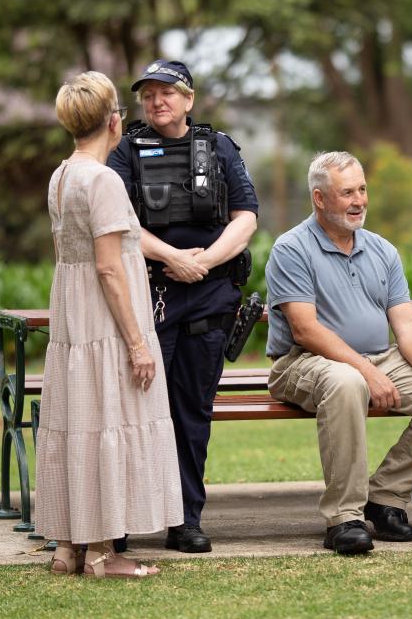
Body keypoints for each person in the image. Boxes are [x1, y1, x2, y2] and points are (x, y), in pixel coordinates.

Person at [265, 151, 412, 555]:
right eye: (346, 192)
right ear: (319, 199)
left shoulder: (381, 249)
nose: (359, 200)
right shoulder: (292, 248)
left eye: (362, 189)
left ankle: (386, 497)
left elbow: (406, 322)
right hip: (304, 361)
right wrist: (367, 372)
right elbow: (304, 329)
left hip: (380, 357)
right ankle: (344, 517)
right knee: (347, 384)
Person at [106, 59, 258, 553]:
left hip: (209, 298)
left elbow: (246, 217)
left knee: (192, 413)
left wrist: (205, 261)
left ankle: (185, 518)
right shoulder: (125, 152)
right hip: (150, 294)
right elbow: (120, 224)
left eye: (167, 92)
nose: (157, 101)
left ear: (189, 99)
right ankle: (121, 518)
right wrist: (172, 256)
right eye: (148, 94)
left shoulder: (219, 147)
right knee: (134, 411)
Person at [34, 71, 183, 577]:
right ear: (113, 121)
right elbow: (107, 266)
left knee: (80, 422)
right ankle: (101, 553)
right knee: (106, 422)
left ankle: (67, 547)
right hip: (103, 318)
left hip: (74, 317)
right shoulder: (103, 180)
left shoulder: (60, 176)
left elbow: (67, 256)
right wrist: (138, 343)